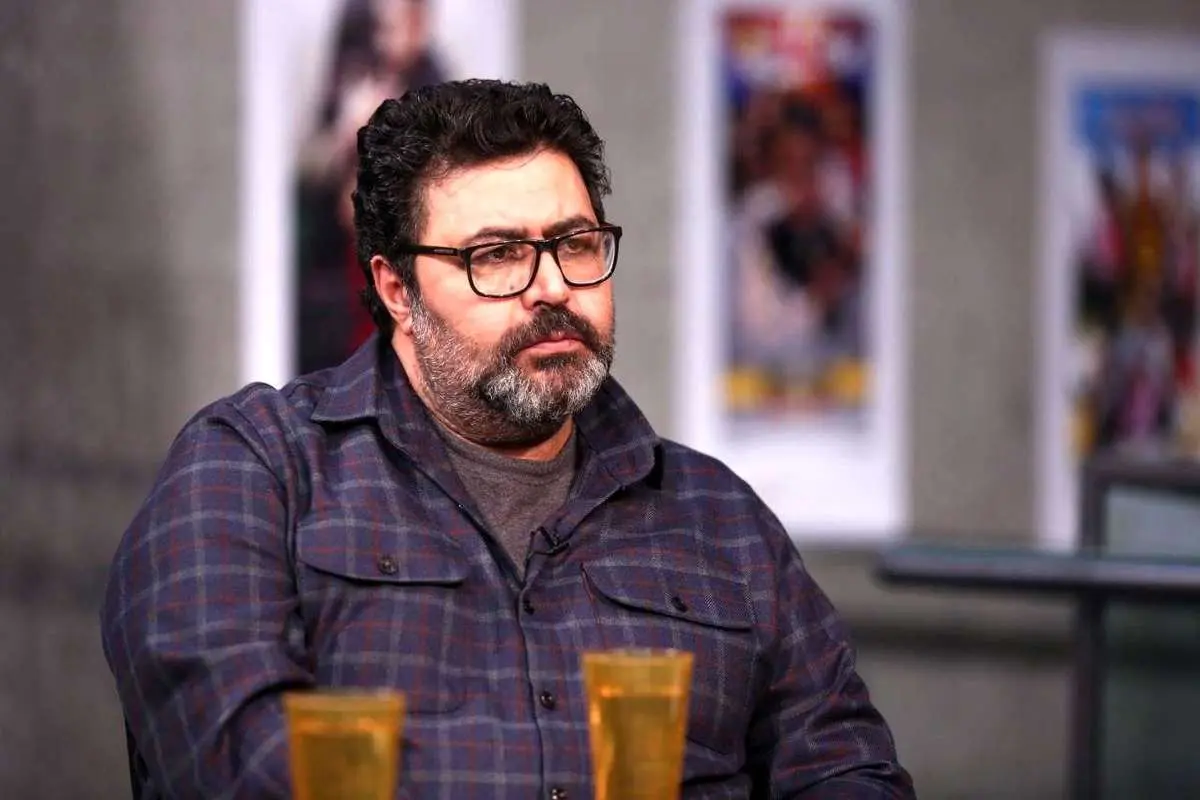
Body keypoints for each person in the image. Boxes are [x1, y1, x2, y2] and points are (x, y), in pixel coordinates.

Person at [101, 79, 914, 799]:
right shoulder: (255, 471)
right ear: (396, 290)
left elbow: (846, 767)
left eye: (576, 244)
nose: (553, 287)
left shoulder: (718, 519)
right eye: (497, 255)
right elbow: (232, 765)